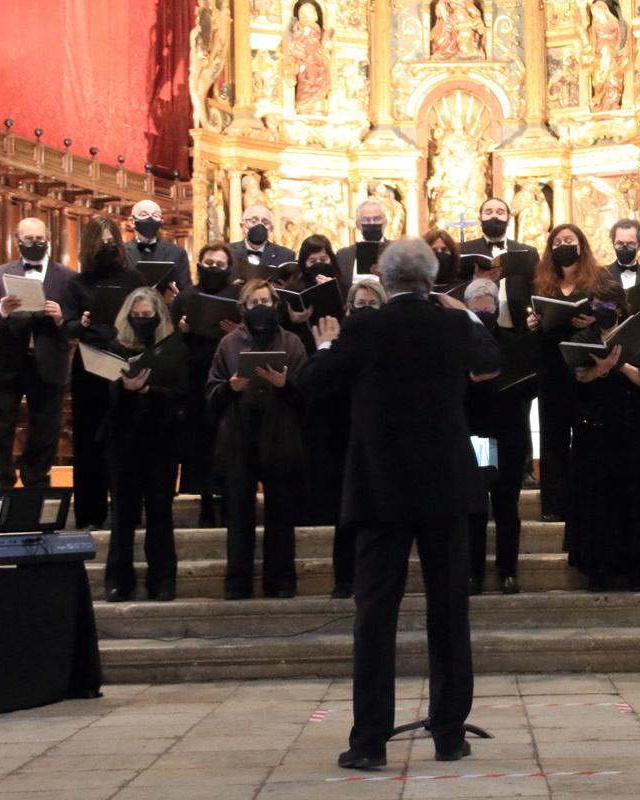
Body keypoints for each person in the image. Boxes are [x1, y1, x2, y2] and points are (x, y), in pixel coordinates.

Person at [299, 239, 500, 770]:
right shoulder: (454, 325)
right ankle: (450, 735)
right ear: (431, 281)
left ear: (384, 281)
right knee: (449, 615)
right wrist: (460, 311)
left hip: (381, 489)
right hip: (445, 488)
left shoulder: (364, 327)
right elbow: (490, 363)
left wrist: (325, 348)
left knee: (375, 618)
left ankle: (369, 742)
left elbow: (312, 384)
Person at [207, 279, 308, 600]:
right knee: (239, 515)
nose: (260, 307)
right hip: (239, 436)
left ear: (275, 304)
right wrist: (230, 388)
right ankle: (238, 583)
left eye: (266, 300)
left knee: (280, 514)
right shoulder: (228, 344)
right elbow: (211, 394)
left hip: (279, 436)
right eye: (253, 303)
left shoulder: (291, 342)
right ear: (244, 308)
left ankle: (280, 582)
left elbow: (308, 395)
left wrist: (284, 384)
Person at [566, 274, 640, 591]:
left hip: (629, 429)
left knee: (631, 500)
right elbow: (577, 378)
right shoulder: (583, 337)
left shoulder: (635, 335)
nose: (602, 309)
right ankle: (598, 568)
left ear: (621, 308)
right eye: (597, 305)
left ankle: (632, 568)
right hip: (593, 429)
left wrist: (620, 365)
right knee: (596, 500)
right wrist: (600, 369)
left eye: (609, 304)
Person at [100, 288, 187, 602]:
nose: (140, 320)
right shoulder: (115, 346)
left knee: (160, 513)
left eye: (147, 316)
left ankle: (161, 580)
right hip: (123, 439)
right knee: (122, 514)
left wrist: (148, 390)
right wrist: (125, 389)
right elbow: (105, 397)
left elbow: (183, 393)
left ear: (159, 316)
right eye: (135, 316)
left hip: (160, 438)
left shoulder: (173, 346)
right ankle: (118, 580)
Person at [62, 217, 146, 529]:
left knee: (128, 440)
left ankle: (128, 513)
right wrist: (81, 324)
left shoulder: (133, 278)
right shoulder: (77, 282)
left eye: (113, 239)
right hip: (90, 365)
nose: (108, 244)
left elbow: (148, 319)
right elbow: (66, 325)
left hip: (125, 362)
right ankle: (89, 515)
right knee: (88, 442)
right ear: (90, 244)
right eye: (102, 240)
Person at [0, 217, 74, 489]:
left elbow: (76, 323)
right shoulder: (0, 273)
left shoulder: (67, 276)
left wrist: (60, 317)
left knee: (46, 426)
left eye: (40, 239)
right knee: (1, 422)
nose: (35, 243)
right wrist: (2, 310)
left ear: (49, 240)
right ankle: (1, 480)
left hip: (49, 360)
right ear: (17, 241)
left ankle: (35, 478)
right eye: (29, 239)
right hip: (8, 359)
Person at [525, 224, 603, 522]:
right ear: (550, 249)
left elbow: (613, 311)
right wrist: (532, 323)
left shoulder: (596, 280)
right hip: (551, 366)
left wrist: (594, 317)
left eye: (569, 240)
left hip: (585, 365)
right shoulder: (542, 283)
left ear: (581, 246)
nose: (564, 245)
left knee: (586, 436)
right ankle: (553, 505)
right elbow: (535, 316)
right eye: (558, 241)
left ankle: (585, 501)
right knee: (553, 436)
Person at [317, 280, 389, 598]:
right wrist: (324, 349)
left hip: (383, 443)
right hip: (343, 440)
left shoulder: (394, 346)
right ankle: (343, 579)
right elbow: (316, 386)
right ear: (348, 309)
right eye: (359, 304)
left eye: (372, 305)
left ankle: (379, 577)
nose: (365, 311)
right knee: (345, 516)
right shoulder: (338, 344)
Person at [463, 278, 534, 596]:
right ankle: (473, 573)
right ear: (466, 308)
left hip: (508, 433)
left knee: (507, 507)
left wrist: (506, 379)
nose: (482, 307)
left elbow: (531, 386)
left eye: (488, 301)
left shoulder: (513, 341)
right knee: (477, 507)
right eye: (476, 303)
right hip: (480, 436)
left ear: (497, 305)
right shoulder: (461, 344)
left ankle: (508, 571)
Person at [172, 243, 241, 526]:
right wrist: (182, 329)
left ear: (229, 267)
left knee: (228, 441)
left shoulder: (237, 296)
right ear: (199, 264)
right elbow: (168, 334)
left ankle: (228, 499)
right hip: (194, 379)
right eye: (208, 262)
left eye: (219, 264)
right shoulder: (187, 296)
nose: (213, 268)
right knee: (199, 443)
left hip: (229, 378)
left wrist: (238, 331)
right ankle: (202, 501)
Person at [459, 197, 539, 332]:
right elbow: (454, 288)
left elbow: (538, 288)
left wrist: (534, 316)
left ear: (508, 219)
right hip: (475, 328)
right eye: (488, 212)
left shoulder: (529, 252)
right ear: (480, 219)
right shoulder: (463, 250)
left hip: (519, 329)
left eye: (500, 212)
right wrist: (474, 282)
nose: (494, 215)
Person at [124, 199, 191, 292]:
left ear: (161, 221)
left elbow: (186, 292)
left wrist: (175, 297)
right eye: (144, 215)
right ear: (132, 222)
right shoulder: (121, 252)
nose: (150, 219)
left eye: (156, 215)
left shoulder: (177, 253)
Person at [229, 204, 297, 282]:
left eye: (265, 222)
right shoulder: (228, 252)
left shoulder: (285, 255)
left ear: (271, 229)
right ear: (242, 226)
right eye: (253, 221)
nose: (259, 225)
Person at [336, 199, 389, 286]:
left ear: (385, 222)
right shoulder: (343, 255)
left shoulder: (396, 251)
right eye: (366, 220)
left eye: (377, 219)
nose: (372, 223)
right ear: (358, 225)